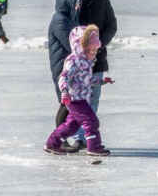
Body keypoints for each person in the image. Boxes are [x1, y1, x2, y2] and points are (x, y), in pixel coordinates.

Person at [48, 0, 117, 152]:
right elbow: (70, 35)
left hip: (97, 58)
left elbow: (111, 25)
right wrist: (84, 50)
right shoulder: (74, 3)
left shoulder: (102, 1)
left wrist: (98, 45)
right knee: (76, 102)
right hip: (78, 61)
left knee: (92, 99)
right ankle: (78, 138)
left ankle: (84, 139)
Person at [44, 25, 114, 157]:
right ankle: (94, 147)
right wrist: (64, 91)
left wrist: (101, 81)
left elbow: (86, 80)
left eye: (95, 50)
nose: (93, 52)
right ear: (81, 47)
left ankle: (52, 143)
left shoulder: (86, 62)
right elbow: (64, 76)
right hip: (75, 98)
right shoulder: (73, 60)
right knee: (91, 121)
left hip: (82, 97)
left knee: (71, 125)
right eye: (91, 49)